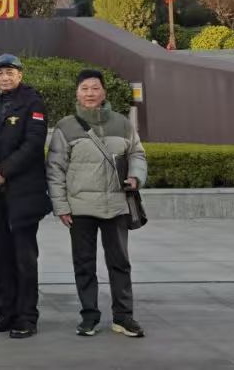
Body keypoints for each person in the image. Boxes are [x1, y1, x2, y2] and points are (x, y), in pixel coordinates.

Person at [47, 69, 147, 339]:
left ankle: (123, 317)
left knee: (120, 263)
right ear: (77, 93)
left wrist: (136, 176)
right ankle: (89, 316)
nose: (90, 93)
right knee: (84, 264)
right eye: (84, 88)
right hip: (80, 207)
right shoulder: (66, 126)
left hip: (116, 205)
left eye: (95, 88)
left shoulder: (122, 123)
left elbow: (137, 154)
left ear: (104, 92)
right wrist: (61, 206)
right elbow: (55, 169)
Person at [0, 54, 51, 339]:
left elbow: (33, 143)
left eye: (10, 72)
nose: (5, 78)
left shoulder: (32, 102)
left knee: (24, 258)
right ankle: (8, 312)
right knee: (1, 257)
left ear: (20, 75)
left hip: (22, 192)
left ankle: (27, 317)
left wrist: (4, 170)